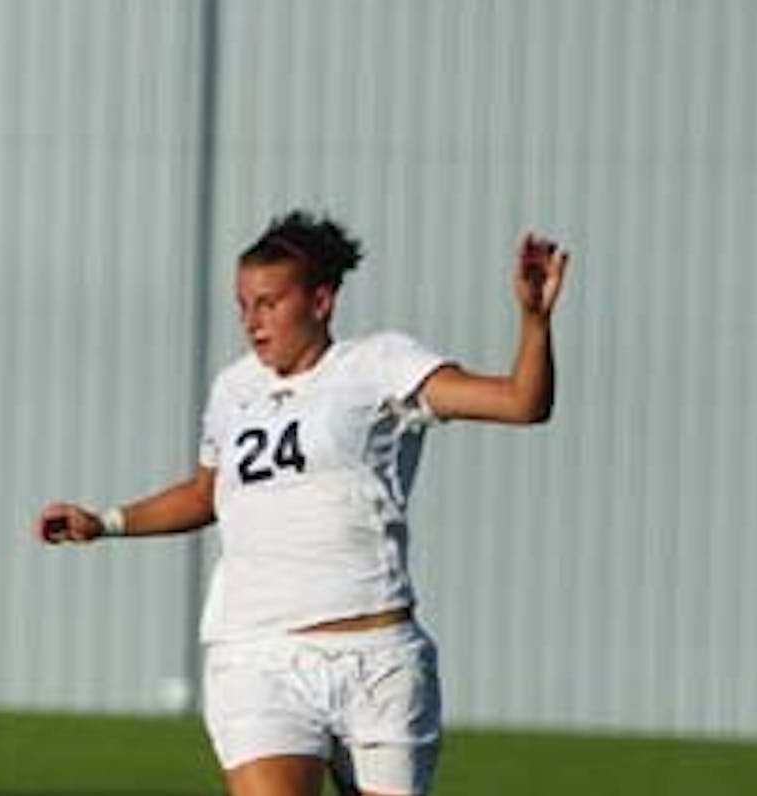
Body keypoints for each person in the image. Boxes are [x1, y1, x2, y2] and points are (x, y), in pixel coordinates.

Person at [35, 211, 568, 796]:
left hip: (379, 660)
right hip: (260, 656)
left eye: (268, 302)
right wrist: (105, 522)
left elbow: (522, 403)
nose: (252, 321)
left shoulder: (378, 365)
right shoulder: (234, 389)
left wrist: (534, 321)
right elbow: (202, 495)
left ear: (321, 300)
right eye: (243, 304)